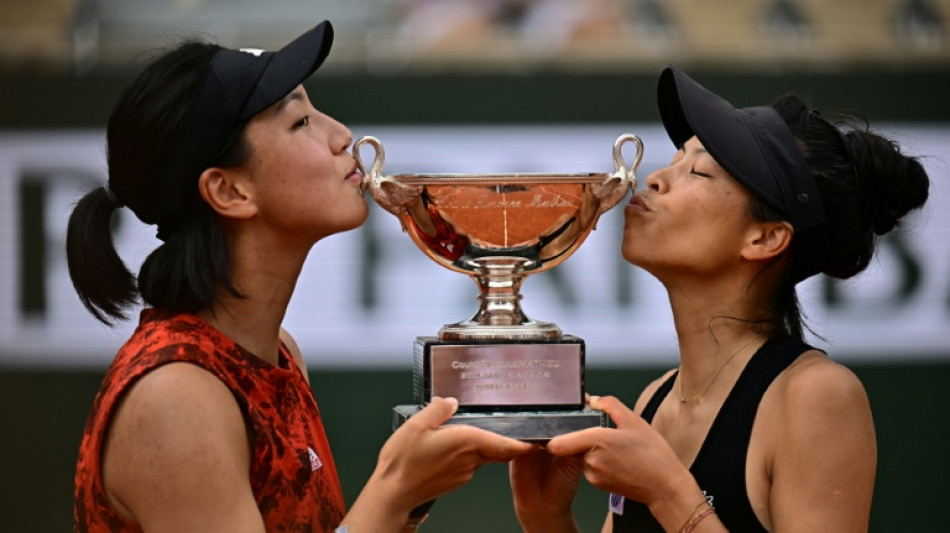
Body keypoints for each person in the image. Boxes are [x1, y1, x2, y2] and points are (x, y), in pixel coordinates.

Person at [66, 20, 533, 533]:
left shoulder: (278, 353)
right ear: (229, 192)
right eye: (300, 123)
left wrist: (411, 498)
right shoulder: (176, 395)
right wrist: (394, 488)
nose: (342, 135)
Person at [509, 65, 930, 532]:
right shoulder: (656, 399)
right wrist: (544, 515)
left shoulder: (817, 396)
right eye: (674, 159)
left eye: (699, 171)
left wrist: (668, 492)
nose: (654, 179)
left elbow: (671, 496)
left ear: (766, 238)